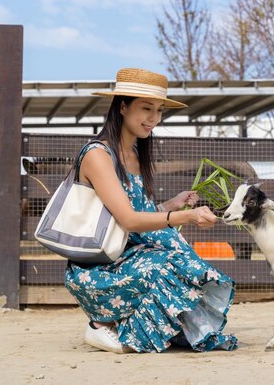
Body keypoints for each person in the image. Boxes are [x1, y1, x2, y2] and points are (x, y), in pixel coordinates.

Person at [64, 68, 238, 353]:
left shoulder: (134, 154)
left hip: (131, 257)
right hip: (99, 268)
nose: (154, 118)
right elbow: (128, 220)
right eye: (146, 108)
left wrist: (172, 205)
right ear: (122, 106)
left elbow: (136, 212)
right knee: (167, 265)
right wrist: (186, 217)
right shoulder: (98, 155)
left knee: (180, 261)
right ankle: (101, 325)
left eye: (159, 111)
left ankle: (124, 324)